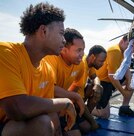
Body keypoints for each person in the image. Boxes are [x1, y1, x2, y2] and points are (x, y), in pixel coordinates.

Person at [0, 2, 80, 136]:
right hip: (7, 123)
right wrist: (65, 102)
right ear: (43, 31)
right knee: (42, 124)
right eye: (61, 33)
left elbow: (50, 112)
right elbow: (17, 108)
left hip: (12, 125)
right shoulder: (6, 53)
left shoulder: (47, 70)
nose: (64, 40)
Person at [44, 28, 99, 135]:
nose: (83, 54)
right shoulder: (51, 59)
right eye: (79, 50)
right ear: (64, 49)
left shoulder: (80, 64)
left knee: (86, 128)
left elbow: (76, 85)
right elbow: (50, 88)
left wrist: (69, 100)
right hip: (49, 104)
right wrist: (73, 98)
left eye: (83, 50)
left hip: (65, 103)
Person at [93, 35, 134, 119]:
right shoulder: (115, 51)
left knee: (133, 82)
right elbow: (111, 76)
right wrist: (124, 93)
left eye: (133, 46)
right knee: (104, 115)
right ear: (122, 41)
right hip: (103, 82)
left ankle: (124, 108)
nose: (131, 48)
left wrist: (129, 82)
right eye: (129, 45)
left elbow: (126, 67)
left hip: (110, 81)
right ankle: (86, 109)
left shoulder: (125, 52)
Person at [79, 45, 107, 112]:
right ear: (92, 57)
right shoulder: (82, 65)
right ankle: (82, 115)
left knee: (98, 88)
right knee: (91, 88)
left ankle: (84, 115)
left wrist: (97, 84)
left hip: (79, 96)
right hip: (74, 97)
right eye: (101, 61)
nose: (102, 64)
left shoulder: (89, 64)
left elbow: (95, 77)